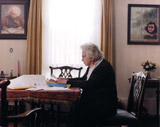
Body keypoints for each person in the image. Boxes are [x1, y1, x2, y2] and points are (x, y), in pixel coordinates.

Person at [56, 42, 117, 127]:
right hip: (95, 103)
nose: (82, 59)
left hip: (105, 107)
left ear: (92, 56)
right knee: (74, 110)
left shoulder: (103, 67)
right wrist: (67, 79)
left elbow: (88, 84)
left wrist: (67, 82)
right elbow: (83, 79)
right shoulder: (93, 65)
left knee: (76, 113)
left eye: (83, 56)